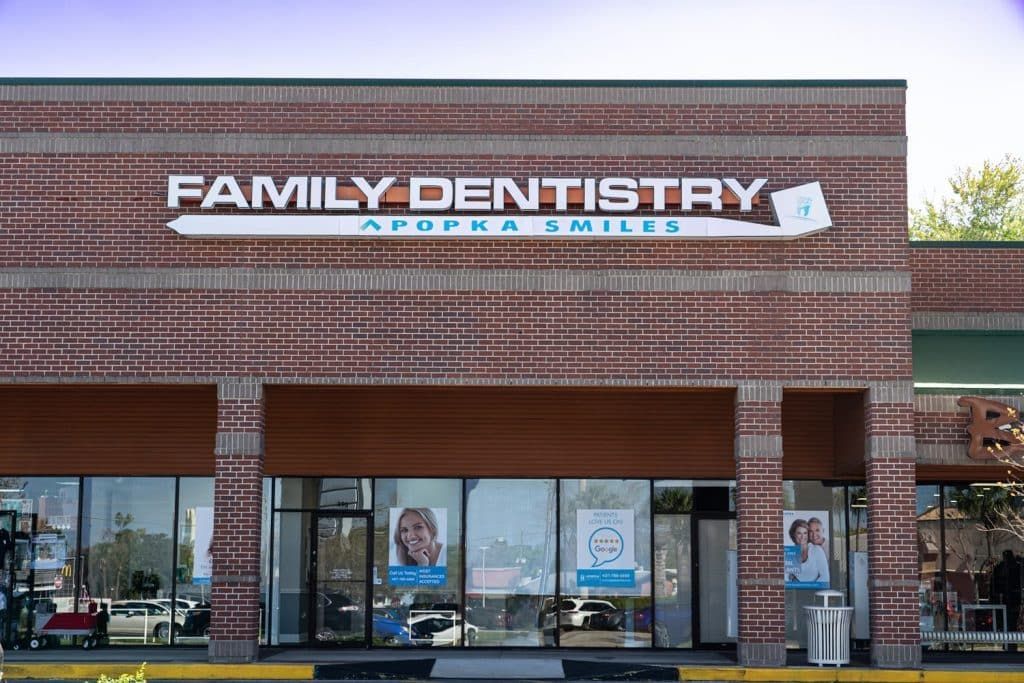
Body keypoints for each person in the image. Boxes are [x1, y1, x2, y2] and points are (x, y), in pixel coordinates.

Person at [787, 518, 829, 584]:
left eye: (805, 533)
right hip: (794, 592)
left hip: (813, 592)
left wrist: (808, 586)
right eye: (799, 533)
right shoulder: (791, 552)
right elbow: (787, 577)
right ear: (794, 534)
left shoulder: (816, 550)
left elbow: (825, 577)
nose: (802, 536)